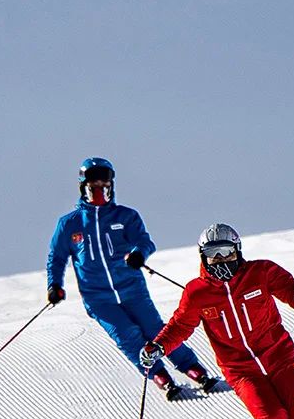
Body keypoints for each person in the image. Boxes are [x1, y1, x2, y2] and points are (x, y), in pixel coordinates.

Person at [140, 223, 294, 419]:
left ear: (238, 251)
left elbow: (289, 290)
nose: (222, 260)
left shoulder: (260, 272)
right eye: (214, 254)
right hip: (242, 370)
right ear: (203, 257)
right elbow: (181, 325)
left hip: (278, 357)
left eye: (227, 252)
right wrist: (160, 346)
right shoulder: (198, 292)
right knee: (272, 418)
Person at [46, 157, 217, 400]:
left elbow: (144, 242)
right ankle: (160, 376)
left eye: (103, 178)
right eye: (93, 179)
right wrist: (54, 285)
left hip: (132, 289)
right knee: (127, 336)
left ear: (111, 182)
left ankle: (195, 369)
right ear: (83, 183)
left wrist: (138, 254)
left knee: (156, 330)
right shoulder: (69, 224)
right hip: (98, 299)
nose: (99, 184)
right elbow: (57, 256)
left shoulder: (125, 216)